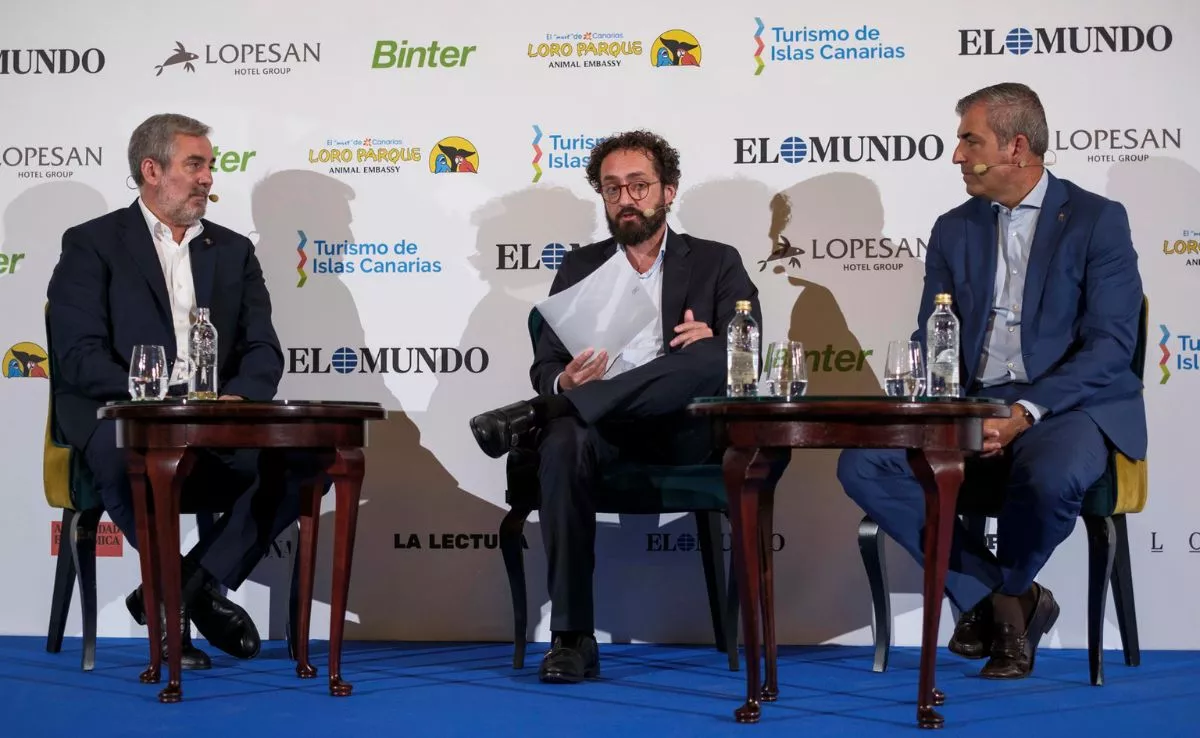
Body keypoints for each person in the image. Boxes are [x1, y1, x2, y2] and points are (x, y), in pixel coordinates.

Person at [837, 83, 1146, 679]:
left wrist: (1028, 410)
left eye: (969, 141)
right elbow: (935, 334)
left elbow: (1112, 346)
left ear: (1017, 148)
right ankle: (1008, 600)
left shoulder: (1097, 220)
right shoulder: (955, 227)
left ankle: (998, 605)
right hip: (971, 400)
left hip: (1068, 404)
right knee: (863, 463)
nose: (956, 155)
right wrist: (926, 402)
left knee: (1051, 475)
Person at [469, 130, 762, 683]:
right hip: (600, 432)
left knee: (709, 357)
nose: (626, 199)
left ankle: (543, 413)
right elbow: (547, 365)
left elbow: (747, 351)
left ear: (668, 191)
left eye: (639, 186)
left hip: (682, 431)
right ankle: (572, 637)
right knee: (563, 439)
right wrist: (564, 381)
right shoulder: (581, 267)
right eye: (612, 189)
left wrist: (716, 345)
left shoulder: (717, 262)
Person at [46, 113, 324, 670]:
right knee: (129, 459)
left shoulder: (233, 250)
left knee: (304, 460)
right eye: (194, 165)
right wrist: (151, 392)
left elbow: (263, 348)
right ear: (151, 170)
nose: (208, 179)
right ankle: (181, 607)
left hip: (215, 418)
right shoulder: (93, 243)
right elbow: (78, 355)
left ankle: (185, 587)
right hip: (121, 417)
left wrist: (240, 401)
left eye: (209, 167)